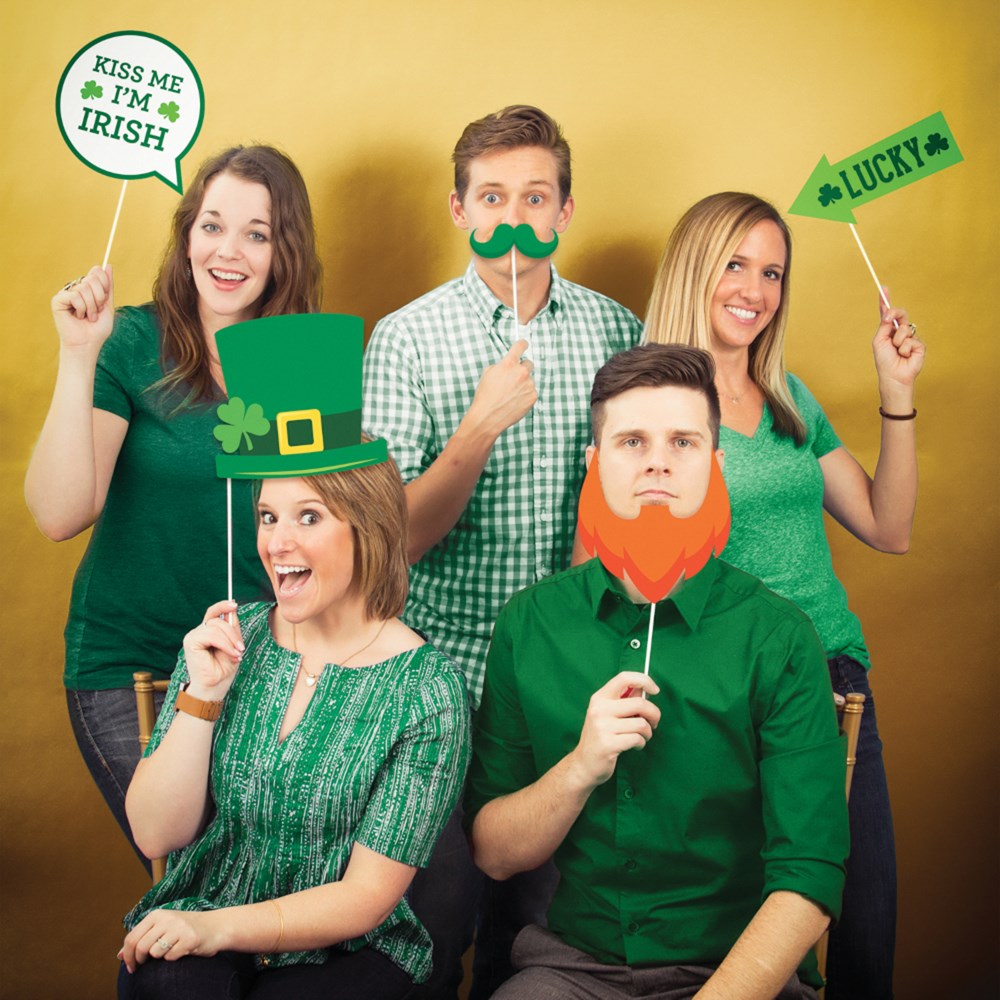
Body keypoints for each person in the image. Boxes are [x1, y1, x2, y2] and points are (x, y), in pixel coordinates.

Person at [468, 343, 849, 1000]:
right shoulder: (531, 624)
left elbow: (809, 880)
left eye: (683, 442)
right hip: (573, 970)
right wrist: (580, 765)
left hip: (738, 971)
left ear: (715, 465)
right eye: (631, 441)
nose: (657, 462)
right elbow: (494, 853)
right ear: (593, 463)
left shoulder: (780, 638)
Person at [362, 105, 642, 997]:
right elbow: (393, 537)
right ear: (459, 210)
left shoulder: (615, 332)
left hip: (566, 680)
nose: (512, 216)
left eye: (535, 195)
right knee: (433, 922)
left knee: (539, 929)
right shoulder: (404, 337)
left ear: (564, 211)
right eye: (491, 195)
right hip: (441, 676)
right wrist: (478, 428)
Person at [116, 324, 471, 999]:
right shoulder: (231, 638)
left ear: (366, 527)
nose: (278, 542)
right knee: (167, 986)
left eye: (308, 516)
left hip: (348, 948)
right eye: (268, 515)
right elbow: (155, 831)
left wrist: (218, 930)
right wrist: (202, 699)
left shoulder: (428, 691)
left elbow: (365, 898)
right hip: (205, 922)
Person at [641, 192, 924, 999]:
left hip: (837, 681)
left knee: (865, 917)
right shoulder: (650, 405)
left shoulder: (788, 396)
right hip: (728, 695)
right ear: (695, 266)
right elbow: (620, 568)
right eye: (735, 263)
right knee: (758, 940)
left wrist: (895, 391)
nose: (754, 289)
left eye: (772, 272)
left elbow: (888, 525)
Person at [24, 146, 321, 868]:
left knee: (270, 881)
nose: (229, 250)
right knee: (193, 870)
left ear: (286, 252)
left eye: (258, 233)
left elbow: (324, 530)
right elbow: (61, 513)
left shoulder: (300, 362)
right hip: (134, 667)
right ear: (186, 234)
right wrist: (77, 355)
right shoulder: (129, 341)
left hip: (264, 666)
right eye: (212, 225)